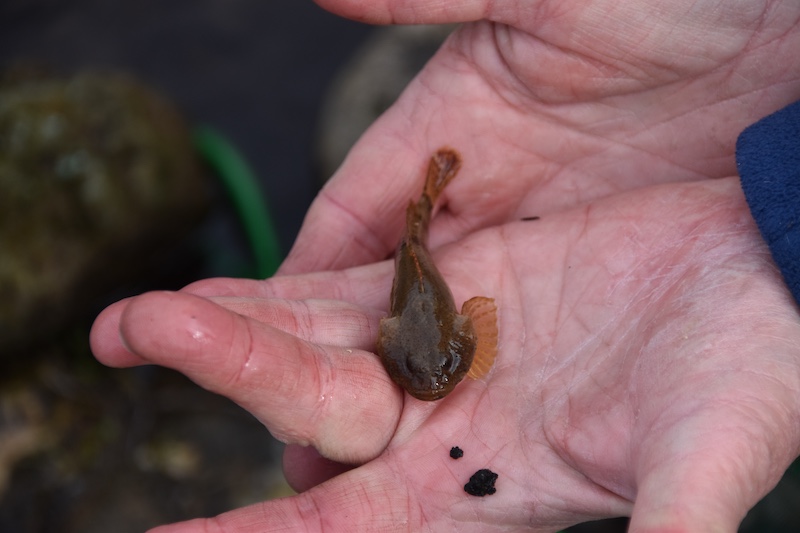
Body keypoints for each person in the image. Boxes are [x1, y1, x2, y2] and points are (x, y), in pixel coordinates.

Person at [90, 1, 800, 531]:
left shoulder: (433, 343)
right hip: (417, 273)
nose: (431, 384)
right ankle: (427, 198)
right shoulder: (414, 333)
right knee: (408, 239)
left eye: (439, 369)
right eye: (416, 370)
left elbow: (463, 328)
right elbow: (446, 329)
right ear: (387, 340)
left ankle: (430, 196)